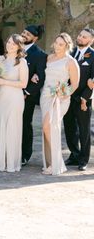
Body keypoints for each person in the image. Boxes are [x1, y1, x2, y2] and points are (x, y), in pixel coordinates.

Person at [0, 34, 28, 173]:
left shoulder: (21, 62)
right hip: (1, 98)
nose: (10, 45)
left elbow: (23, 83)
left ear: (19, 47)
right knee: (1, 127)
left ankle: (12, 162)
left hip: (14, 98)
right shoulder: (0, 59)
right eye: (9, 42)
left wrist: (2, 81)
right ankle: (2, 161)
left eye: (13, 44)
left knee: (12, 128)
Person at [40, 33, 79, 176]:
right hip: (45, 96)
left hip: (60, 98)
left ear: (67, 46)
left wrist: (63, 93)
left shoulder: (71, 62)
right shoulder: (49, 58)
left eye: (61, 44)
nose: (57, 46)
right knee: (47, 130)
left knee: (48, 126)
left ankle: (57, 163)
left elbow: (74, 84)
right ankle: (50, 163)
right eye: (56, 43)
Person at [64, 28, 94, 171]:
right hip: (67, 97)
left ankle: (83, 159)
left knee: (84, 130)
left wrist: (84, 98)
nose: (80, 38)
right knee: (69, 128)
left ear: (91, 40)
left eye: (84, 37)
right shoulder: (70, 53)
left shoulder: (93, 56)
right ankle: (74, 154)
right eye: (80, 35)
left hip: (83, 99)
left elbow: (92, 81)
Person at [20, 24, 47, 166]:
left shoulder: (40, 55)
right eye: (23, 32)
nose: (24, 35)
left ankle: (24, 155)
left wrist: (27, 92)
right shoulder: (14, 48)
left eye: (28, 34)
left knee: (25, 124)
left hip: (27, 97)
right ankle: (8, 152)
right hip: (10, 94)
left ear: (35, 38)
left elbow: (40, 78)